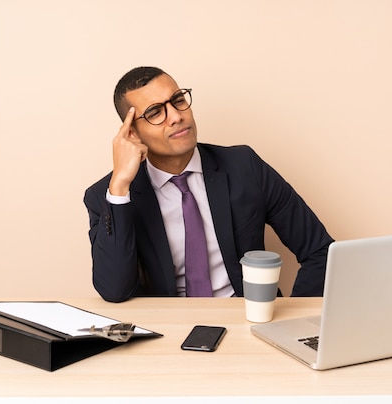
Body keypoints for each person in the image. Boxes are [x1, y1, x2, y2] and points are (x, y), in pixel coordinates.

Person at [84, 66, 334, 302]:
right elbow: (114, 290)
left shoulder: (243, 166)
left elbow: (321, 252)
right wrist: (119, 187)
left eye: (178, 101)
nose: (176, 117)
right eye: (155, 113)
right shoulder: (107, 196)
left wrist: (290, 324)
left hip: (246, 321)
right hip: (167, 331)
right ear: (132, 133)